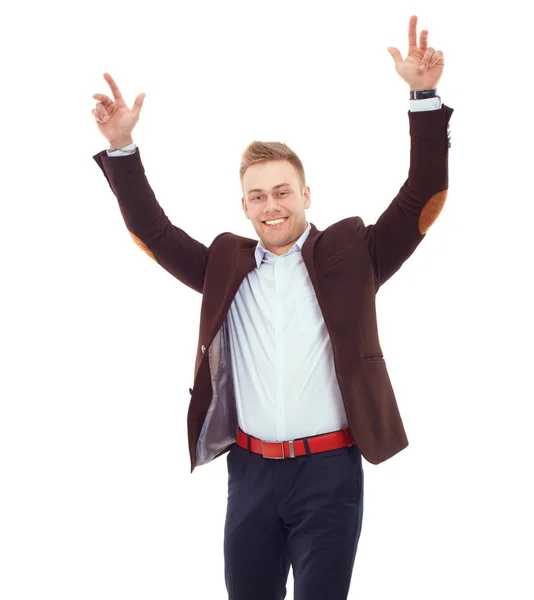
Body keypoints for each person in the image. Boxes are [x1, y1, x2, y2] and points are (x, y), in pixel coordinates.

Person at [91, 14, 452, 600]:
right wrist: (122, 147)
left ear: (305, 194)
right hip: (252, 475)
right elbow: (153, 233)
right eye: (257, 197)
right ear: (245, 206)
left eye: (282, 192)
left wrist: (423, 96)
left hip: (330, 474)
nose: (271, 206)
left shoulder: (354, 256)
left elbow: (423, 195)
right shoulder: (223, 268)